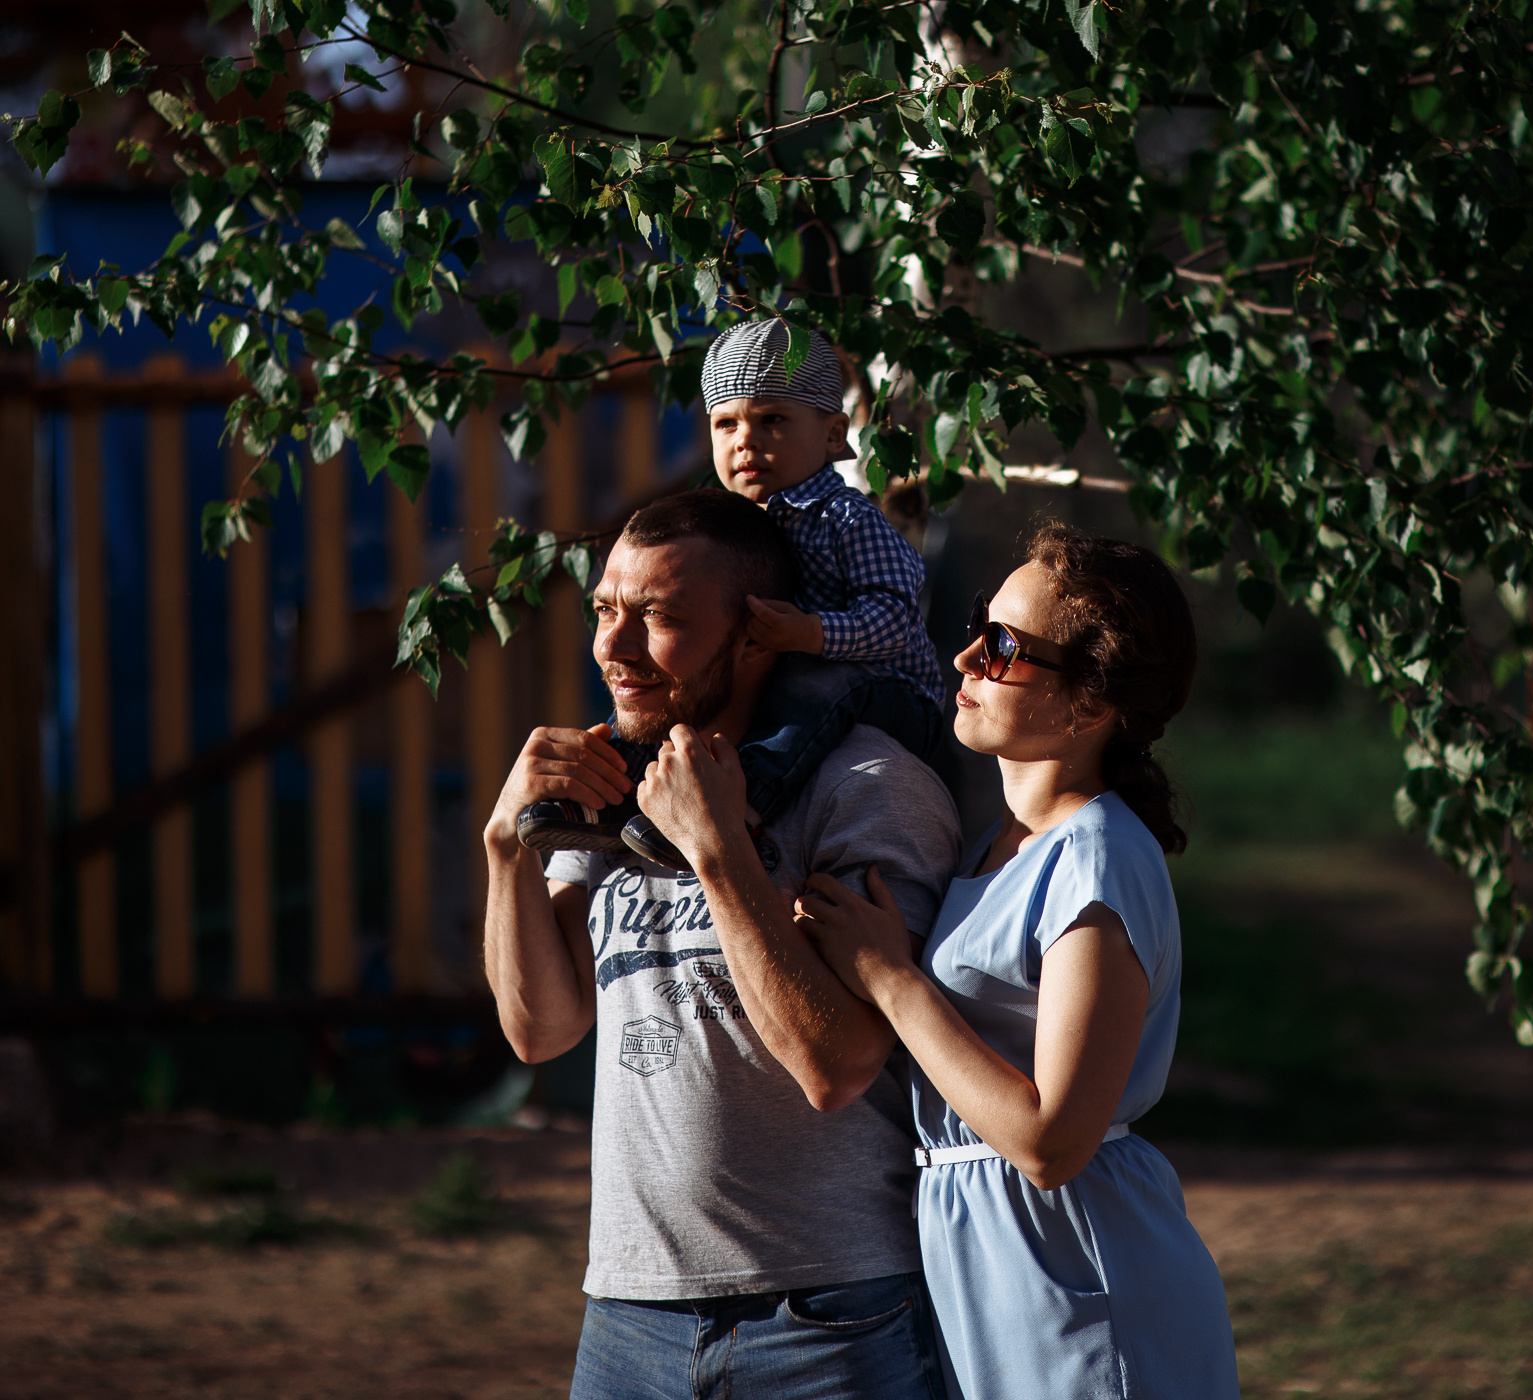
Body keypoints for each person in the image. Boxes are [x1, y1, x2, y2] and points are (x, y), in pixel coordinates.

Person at [482, 489, 962, 1400]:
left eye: (658, 618)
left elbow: (837, 1064)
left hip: (827, 1320)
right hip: (625, 1314)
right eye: (606, 611)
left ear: (755, 637)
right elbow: (540, 1031)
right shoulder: (615, 779)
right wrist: (507, 847)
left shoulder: (867, 786)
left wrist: (718, 849)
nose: (613, 651)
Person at [795, 524, 1241, 1400]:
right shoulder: (999, 848)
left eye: (1001, 646)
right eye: (975, 624)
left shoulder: (1097, 857)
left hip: (1076, 1272)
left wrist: (890, 980)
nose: (963, 656)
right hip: (997, 1266)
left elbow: (1052, 1140)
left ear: (1090, 703)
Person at [520, 316, 946, 867]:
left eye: (772, 421)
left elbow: (897, 616)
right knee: (667, 689)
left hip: (885, 688)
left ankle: (743, 807)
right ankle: (610, 800)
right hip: (788, 669)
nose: (746, 440)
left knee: (816, 686)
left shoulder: (845, 518)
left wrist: (811, 632)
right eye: (726, 425)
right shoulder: (734, 522)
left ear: (834, 435)